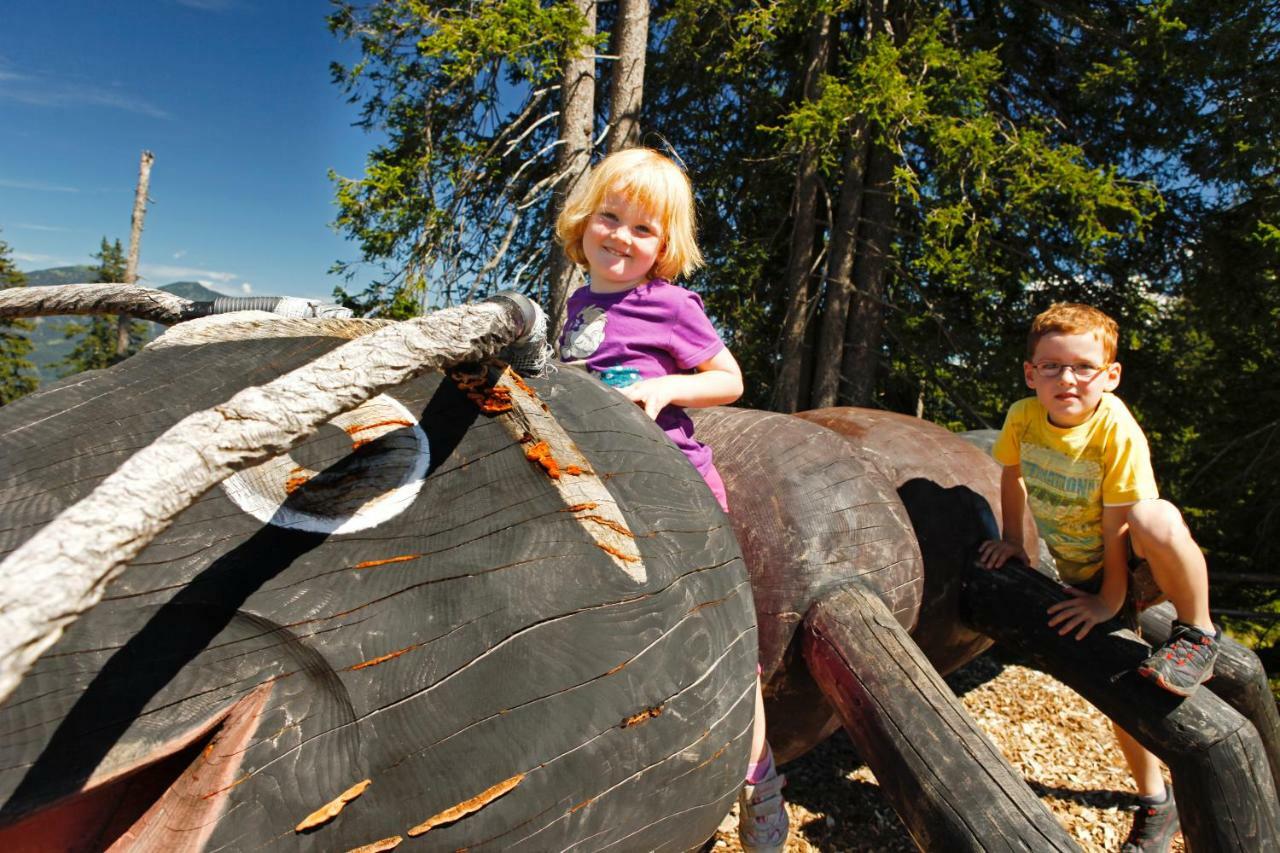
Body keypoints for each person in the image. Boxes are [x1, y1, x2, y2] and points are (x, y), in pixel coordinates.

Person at [555, 147, 789, 852]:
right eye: (611, 217)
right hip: (603, 488)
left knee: (721, 640)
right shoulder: (578, 301)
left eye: (643, 229)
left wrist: (666, 388)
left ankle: (760, 775)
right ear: (585, 221)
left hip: (674, 492)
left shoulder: (669, 303)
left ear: (666, 246)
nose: (621, 237)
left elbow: (729, 378)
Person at [978, 302, 1220, 853]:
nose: (1067, 379)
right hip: (1082, 562)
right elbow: (1011, 477)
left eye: (1083, 367)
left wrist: (1110, 600)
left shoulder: (1117, 429)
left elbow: (1117, 525)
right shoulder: (1022, 417)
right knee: (1120, 690)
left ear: (1110, 375)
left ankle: (1198, 630)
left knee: (1154, 515)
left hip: (1133, 559)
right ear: (1029, 373)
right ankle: (1157, 799)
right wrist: (1013, 541)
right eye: (1052, 366)